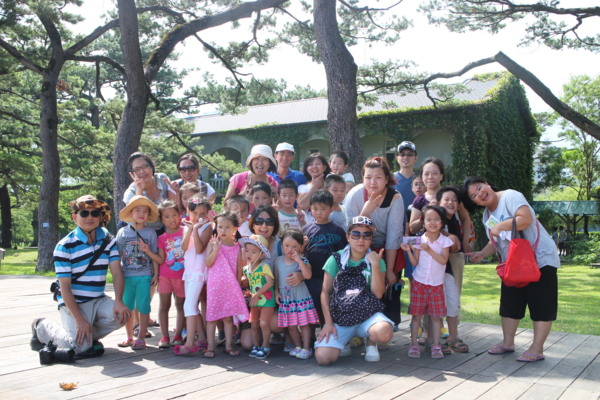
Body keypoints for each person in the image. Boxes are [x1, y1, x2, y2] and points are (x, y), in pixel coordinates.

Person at [461, 176, 560, 363]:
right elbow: (496, 240)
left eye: (480, 187)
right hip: (513, 264)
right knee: (510, 303)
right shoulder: (487, 216)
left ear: (487, 183)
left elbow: (526, 219)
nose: (480, 194)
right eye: (474, 195)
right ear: (474, 203)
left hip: (540, 259)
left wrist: (500, 225)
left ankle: (537, 348)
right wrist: (482, 253)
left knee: (541, 305)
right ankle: (507, 343)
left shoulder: (510, 196)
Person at [31, 195, 130, 359]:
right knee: (78, 348)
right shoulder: (64, 246)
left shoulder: (108, 240)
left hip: (97, 299)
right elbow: (64, 288)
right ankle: (41, 327)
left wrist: (119, 300)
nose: (90, 217)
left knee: (123, 314)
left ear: (100, 217)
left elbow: (117, 272)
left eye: (95, 213)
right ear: (74, 217)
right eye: (84, 213)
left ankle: (86, 336)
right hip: (74, 302)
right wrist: (79, 319)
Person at [314, 216, 393, 365]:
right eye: (356, 234)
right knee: (323, 358)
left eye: (366, 235)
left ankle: (371, 342)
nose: (361, 239)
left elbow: (378, 294)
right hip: (342, 317)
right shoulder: (335, 258)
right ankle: (346, 341)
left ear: (371, 238)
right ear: (348, 237)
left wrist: (375, 265)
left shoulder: (377, 260)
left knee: (384, 333)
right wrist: (328, 323)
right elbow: (325, 292)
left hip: (368, 314)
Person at [344, 157, 405, 328]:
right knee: (361, 283)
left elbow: (394, 235)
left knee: (389, 283)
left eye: (378, 177)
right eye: (368, 177)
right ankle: (358, 323)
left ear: (386, 179)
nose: (373, 182)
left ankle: (388, 324)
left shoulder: (395, 197)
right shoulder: (355, 195)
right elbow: (352, 232)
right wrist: (365, 213)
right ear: (362, 179)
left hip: (386, 245)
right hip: (360, 243)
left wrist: (390, 270)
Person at [402, 205, 453, 359]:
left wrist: (429, 249)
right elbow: (415, 263)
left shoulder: (445, 241)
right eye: (429, 219)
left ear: (442, 222)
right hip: (419, 282)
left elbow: (443, 260)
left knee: (436, 317)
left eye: (436, 219)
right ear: (423, 223)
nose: (432, 223)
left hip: (436, 284)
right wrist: (409, 251)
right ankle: (414, 344)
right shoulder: (419, 240)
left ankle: (436, 345)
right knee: (416, 315)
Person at [116, 195, 161, 350]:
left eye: (145, 211)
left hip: (144, 275)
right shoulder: (122, 232)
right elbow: (118, 255)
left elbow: (155, 255)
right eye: (137, 210)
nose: (141, 214)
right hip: (127, 275)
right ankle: (129, 336)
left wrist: (156, 274)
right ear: (130, 213)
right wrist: (117, 276)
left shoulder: (151, 233)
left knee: (143, 306)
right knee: (128, 306)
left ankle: (141, 336)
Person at [204, 212, 249, 358]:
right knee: (212, 317)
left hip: (230, 288)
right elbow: (208, 263)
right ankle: (210, 347)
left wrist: (237, 287)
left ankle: (229, 346)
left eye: (227, 227)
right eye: (220, 227)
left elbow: (239, 270)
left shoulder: (237, 248)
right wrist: (216, 249)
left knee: (228, 318)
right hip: (215, 287)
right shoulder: (212, 244)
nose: (223, 230)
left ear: (235, 228)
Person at [174, 196, 213, 355]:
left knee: (188, 306)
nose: (198, 217)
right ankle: (202, 339)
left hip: (199, 271)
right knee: (191, 305)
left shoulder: (207, 227)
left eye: (202, 213)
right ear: (188, 212)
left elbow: (199, 248)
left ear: (208, 214)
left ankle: (190, 343)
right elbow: (184, 247)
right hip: (189, 270)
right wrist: (190, 230)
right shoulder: (187, 227)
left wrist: (195, 230)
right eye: (195, 213)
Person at [303, 190, 348, 322]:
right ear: (310, 208)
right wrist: (303, 245)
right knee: (312, 309)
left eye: (323, 209)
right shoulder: (306, 230)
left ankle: (328, 327)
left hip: (332, 276)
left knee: (329, 306)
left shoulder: (338, 231)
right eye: (315, 208)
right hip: (312, 276)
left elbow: (344, 254)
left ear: (331, 209)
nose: (319, 212)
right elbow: (300, 252)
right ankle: (312, 332)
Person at [274, 229, 319, 360]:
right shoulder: (278, 261)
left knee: (304, 324)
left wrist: (299, 261)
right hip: (286, 298)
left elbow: (308, 275)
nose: (290, 249)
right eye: (287, 245)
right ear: (282, 245)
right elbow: (276, 279)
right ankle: (298, 346)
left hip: (300, 296)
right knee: (291, 325)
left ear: (300, 246)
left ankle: (306, 348)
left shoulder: (303, 260)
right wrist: (276, 292)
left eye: (294, 246)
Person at [437, 187, 469, 353]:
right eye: (447, 199)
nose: (451, 203)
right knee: (434, 302)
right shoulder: (434, 216)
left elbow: (455, 247)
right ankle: (433, 339)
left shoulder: (454, 221)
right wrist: (448, 236)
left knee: (452, 299)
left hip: (448, 268)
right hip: (432, 269)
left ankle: (453, 336)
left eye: (454, 200)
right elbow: (429, 230)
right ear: (439, 202)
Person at [155, 201, 186, 349]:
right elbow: (161, 259)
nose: (171, 219)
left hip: (183, 276)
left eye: (174, 215)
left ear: (180, 215)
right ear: (161, 219)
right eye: (166, 216)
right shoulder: (161, 238)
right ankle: (164, 336)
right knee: (164, 305)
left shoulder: (186, 231)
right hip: (165, 276)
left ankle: (178, 334)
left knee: (180, 305)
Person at [241, 235, 276, 360]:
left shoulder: (264, 266)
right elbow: (250, 285)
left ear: (262, 254)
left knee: (264, 323)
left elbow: (270, 282)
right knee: (254, 324)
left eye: (253, 252)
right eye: (247, 251)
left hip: (266, 301)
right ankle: (256, 346)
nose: (249, 254)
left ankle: (265, 346)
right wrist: (249, 291)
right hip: (255, 302)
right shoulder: (246, 269)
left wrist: (256, 294)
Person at [124, 152, 177, 234]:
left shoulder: (162, 179)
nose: (142, 171)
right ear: (132, 173)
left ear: (152, 167)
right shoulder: (131, 192)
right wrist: (139, 191)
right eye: (137, 169)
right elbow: (135, 220)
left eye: (145, 166)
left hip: (166, 228)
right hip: (143, 232)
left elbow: (173, 207)